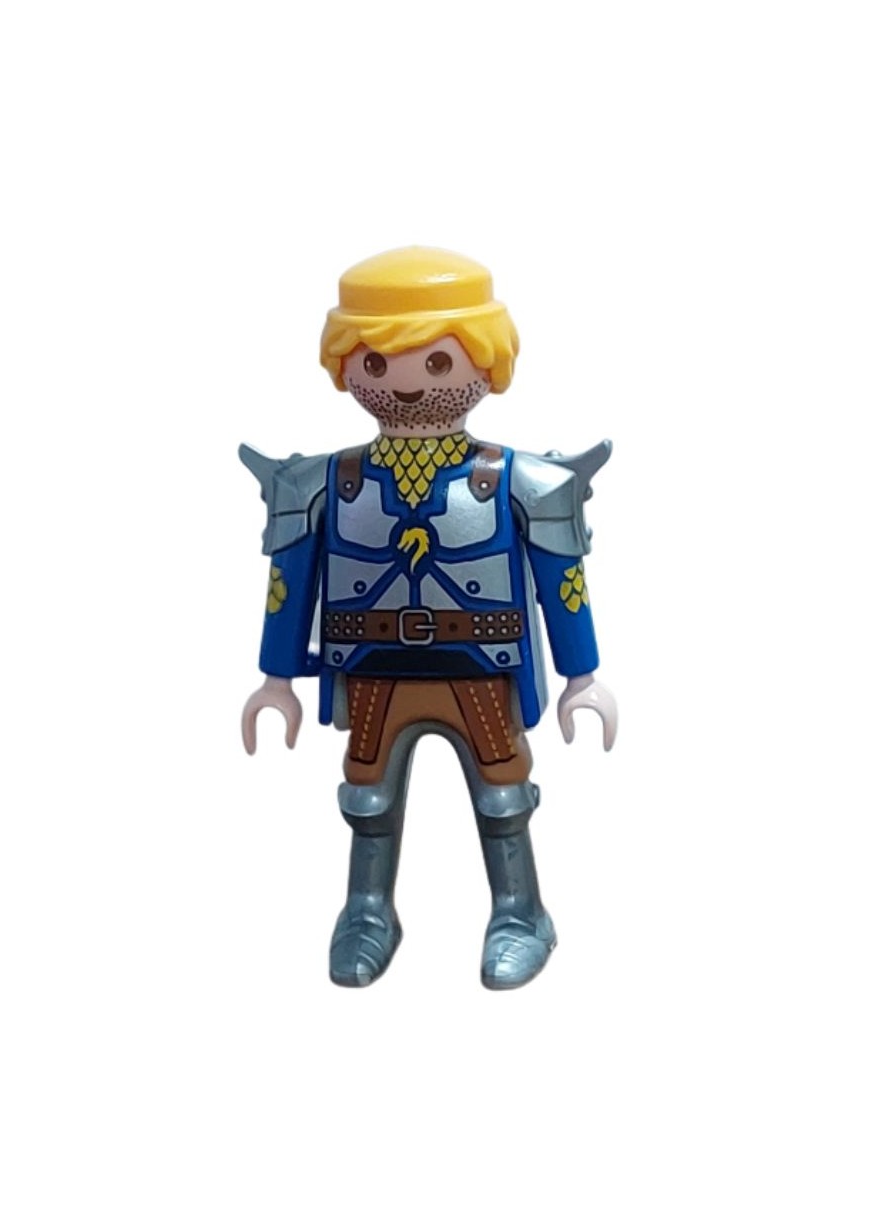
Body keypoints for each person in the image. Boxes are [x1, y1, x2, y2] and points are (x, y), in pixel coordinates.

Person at [240, 246, 616, 989]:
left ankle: (520, 912)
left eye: (437, 362)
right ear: (346, 366)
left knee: (502, 793)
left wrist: (583, 675)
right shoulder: (327, 483)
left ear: (487, 360)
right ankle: (368, 912)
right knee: (367, 794)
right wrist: (275, 678)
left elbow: (562, 581)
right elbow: (290, 581)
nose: (406, 384)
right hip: (372, 667)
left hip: (480, 666)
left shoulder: (523, 483)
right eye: (376, 363)